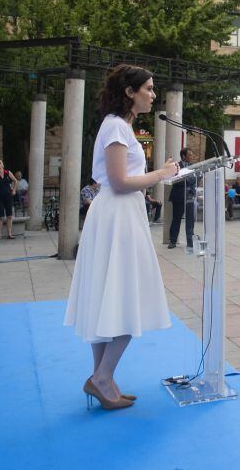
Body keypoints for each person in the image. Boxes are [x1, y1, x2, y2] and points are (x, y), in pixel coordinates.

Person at [64, 64, 175, 411]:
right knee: (127, 294)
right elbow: (117, 181)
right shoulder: (115, 126)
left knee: (110, 293)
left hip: (121, 214)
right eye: (149, 88)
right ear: (130, 92)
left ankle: (103, 378)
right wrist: (162, 173)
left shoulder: (121, 126)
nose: (153, 95)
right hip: (117, 214)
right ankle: (101, 378)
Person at [167, 148, 196, 250]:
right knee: (176, 219)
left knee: (190, 219)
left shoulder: (193, 166)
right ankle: (173, 241)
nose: (192, 157)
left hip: (190, 195)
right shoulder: (176, 166)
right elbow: (173, 179)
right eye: (190, 155)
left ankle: (190, 242)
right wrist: (185, 178)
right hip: (179, 196)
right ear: (184, 156)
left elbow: (194, 179)